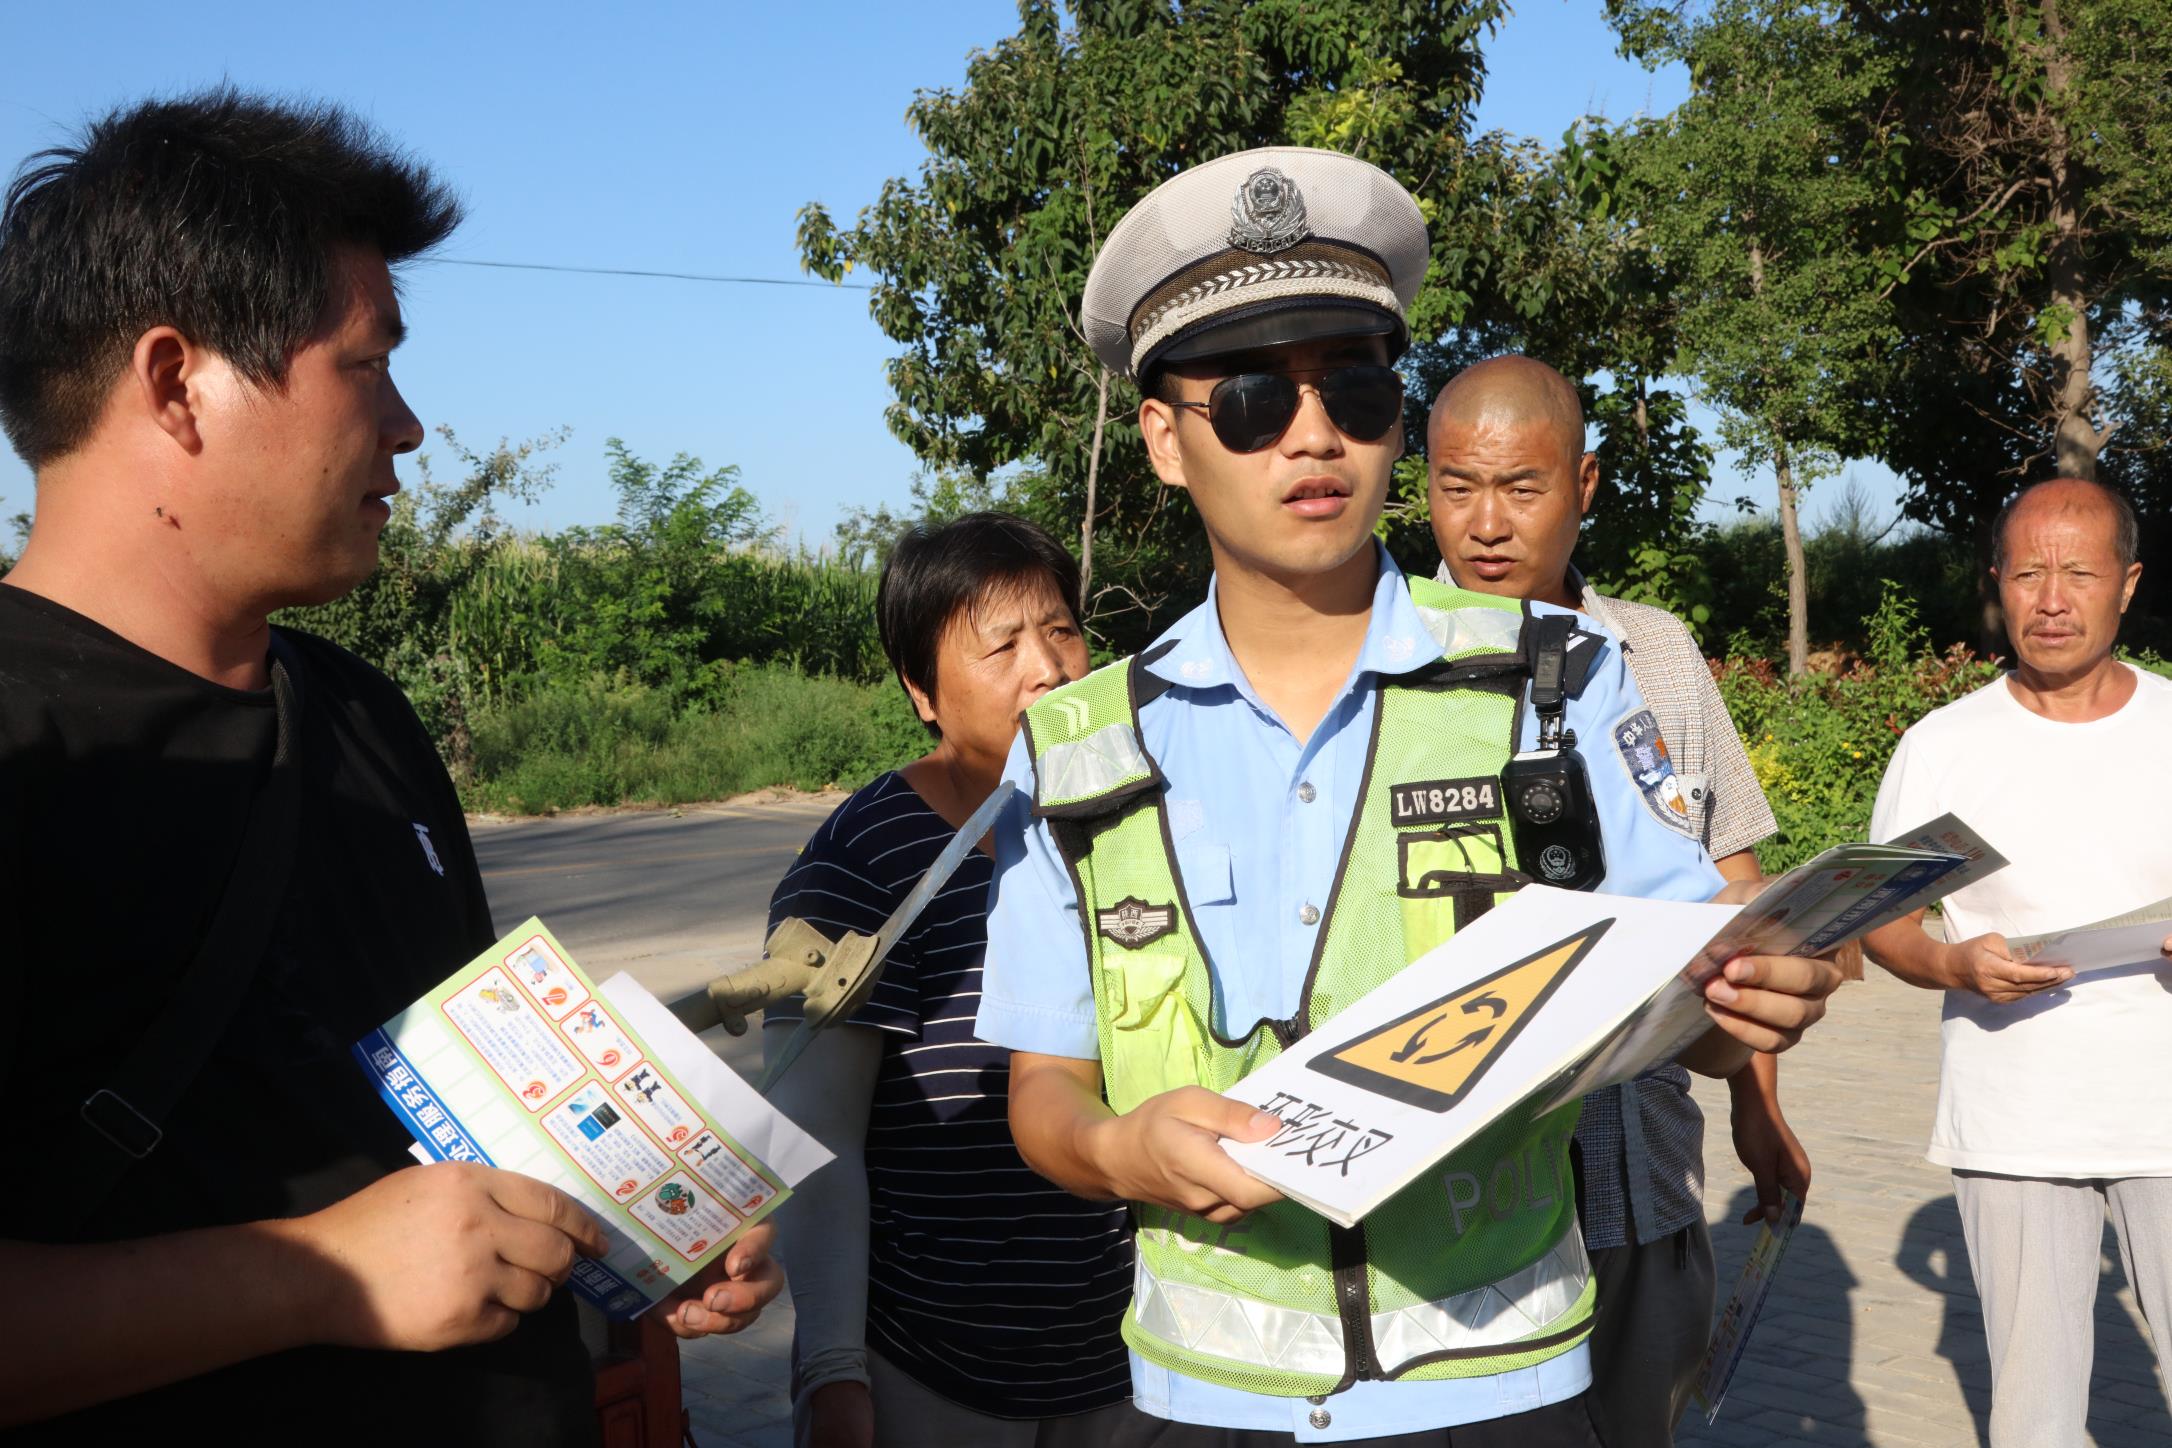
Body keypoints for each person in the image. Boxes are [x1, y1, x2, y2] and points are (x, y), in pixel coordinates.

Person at [978, 145, 1846, 1447]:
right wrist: (1117, 1152)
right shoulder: (1079, 749)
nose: (1316, 434)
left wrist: (1750, 1003)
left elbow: (1686, 1001)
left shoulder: (1556, 685)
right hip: (1198, 1401)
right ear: (1163, 438)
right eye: (1256, 398)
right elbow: (1044, 1087)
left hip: (1504, 1385)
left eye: (1361, 390)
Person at [0, 91, 778, 1443]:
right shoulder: (22, 751)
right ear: (179, 382)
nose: (411, 425)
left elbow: (456, 1123)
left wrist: (638, 1230)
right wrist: (312, 1279)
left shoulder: (356, 716)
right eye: (367, 367)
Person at [1425, 355, 1810, 1446]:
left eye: (1522, 487)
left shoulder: (1661, 657)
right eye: (1458, 486)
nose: (1486, 523)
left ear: (1584, 484)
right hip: (1465, 1204)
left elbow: (1733, 891)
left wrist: (1757, 1106)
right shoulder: (1387, 668)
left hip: (1642, 1174)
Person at [762, 513, 1140, 1448]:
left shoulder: (1132, 823)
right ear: (922, 691)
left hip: (1137, 1356)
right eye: (1001, 644)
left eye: (1059, 630)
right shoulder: (864, 863)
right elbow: (817, 1143)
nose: (1047, 668)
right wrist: (833, 1373)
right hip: (938, 1366)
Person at [1863, 476, 2172, 1448]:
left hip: (2166, 1116)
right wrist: (1955, 965)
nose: (2050, 598)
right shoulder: (1944, 746)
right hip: (2014, 1120)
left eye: (2077, 573)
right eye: (2028, 572)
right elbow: (1882, 923)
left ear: (2125, 583)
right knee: (2036, 1417)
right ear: (1997, 581)